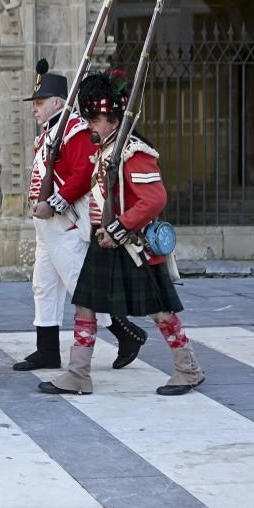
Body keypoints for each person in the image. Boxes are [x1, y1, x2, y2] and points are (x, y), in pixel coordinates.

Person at [39, 71, 205, 396]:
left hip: (132, 243)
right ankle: (78, 374)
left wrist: (120, 227)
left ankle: (189, 369)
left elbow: (155, 198)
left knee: (159, 310)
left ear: (113, 118)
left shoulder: (133, 151)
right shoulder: (108, 148)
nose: (90, 126)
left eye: (95, 119)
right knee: (85, 304)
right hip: (107, 240)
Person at [16, 59, 146, 372]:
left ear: (58, 102)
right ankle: (46, 349)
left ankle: (126, 333)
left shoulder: (74, 130)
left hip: (65, 221)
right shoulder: (51, 132)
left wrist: (56, 202)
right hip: (47, 226)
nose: (35, 108)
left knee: (79, 285)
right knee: (43, 285)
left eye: (40, 102)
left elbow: (82, 172)